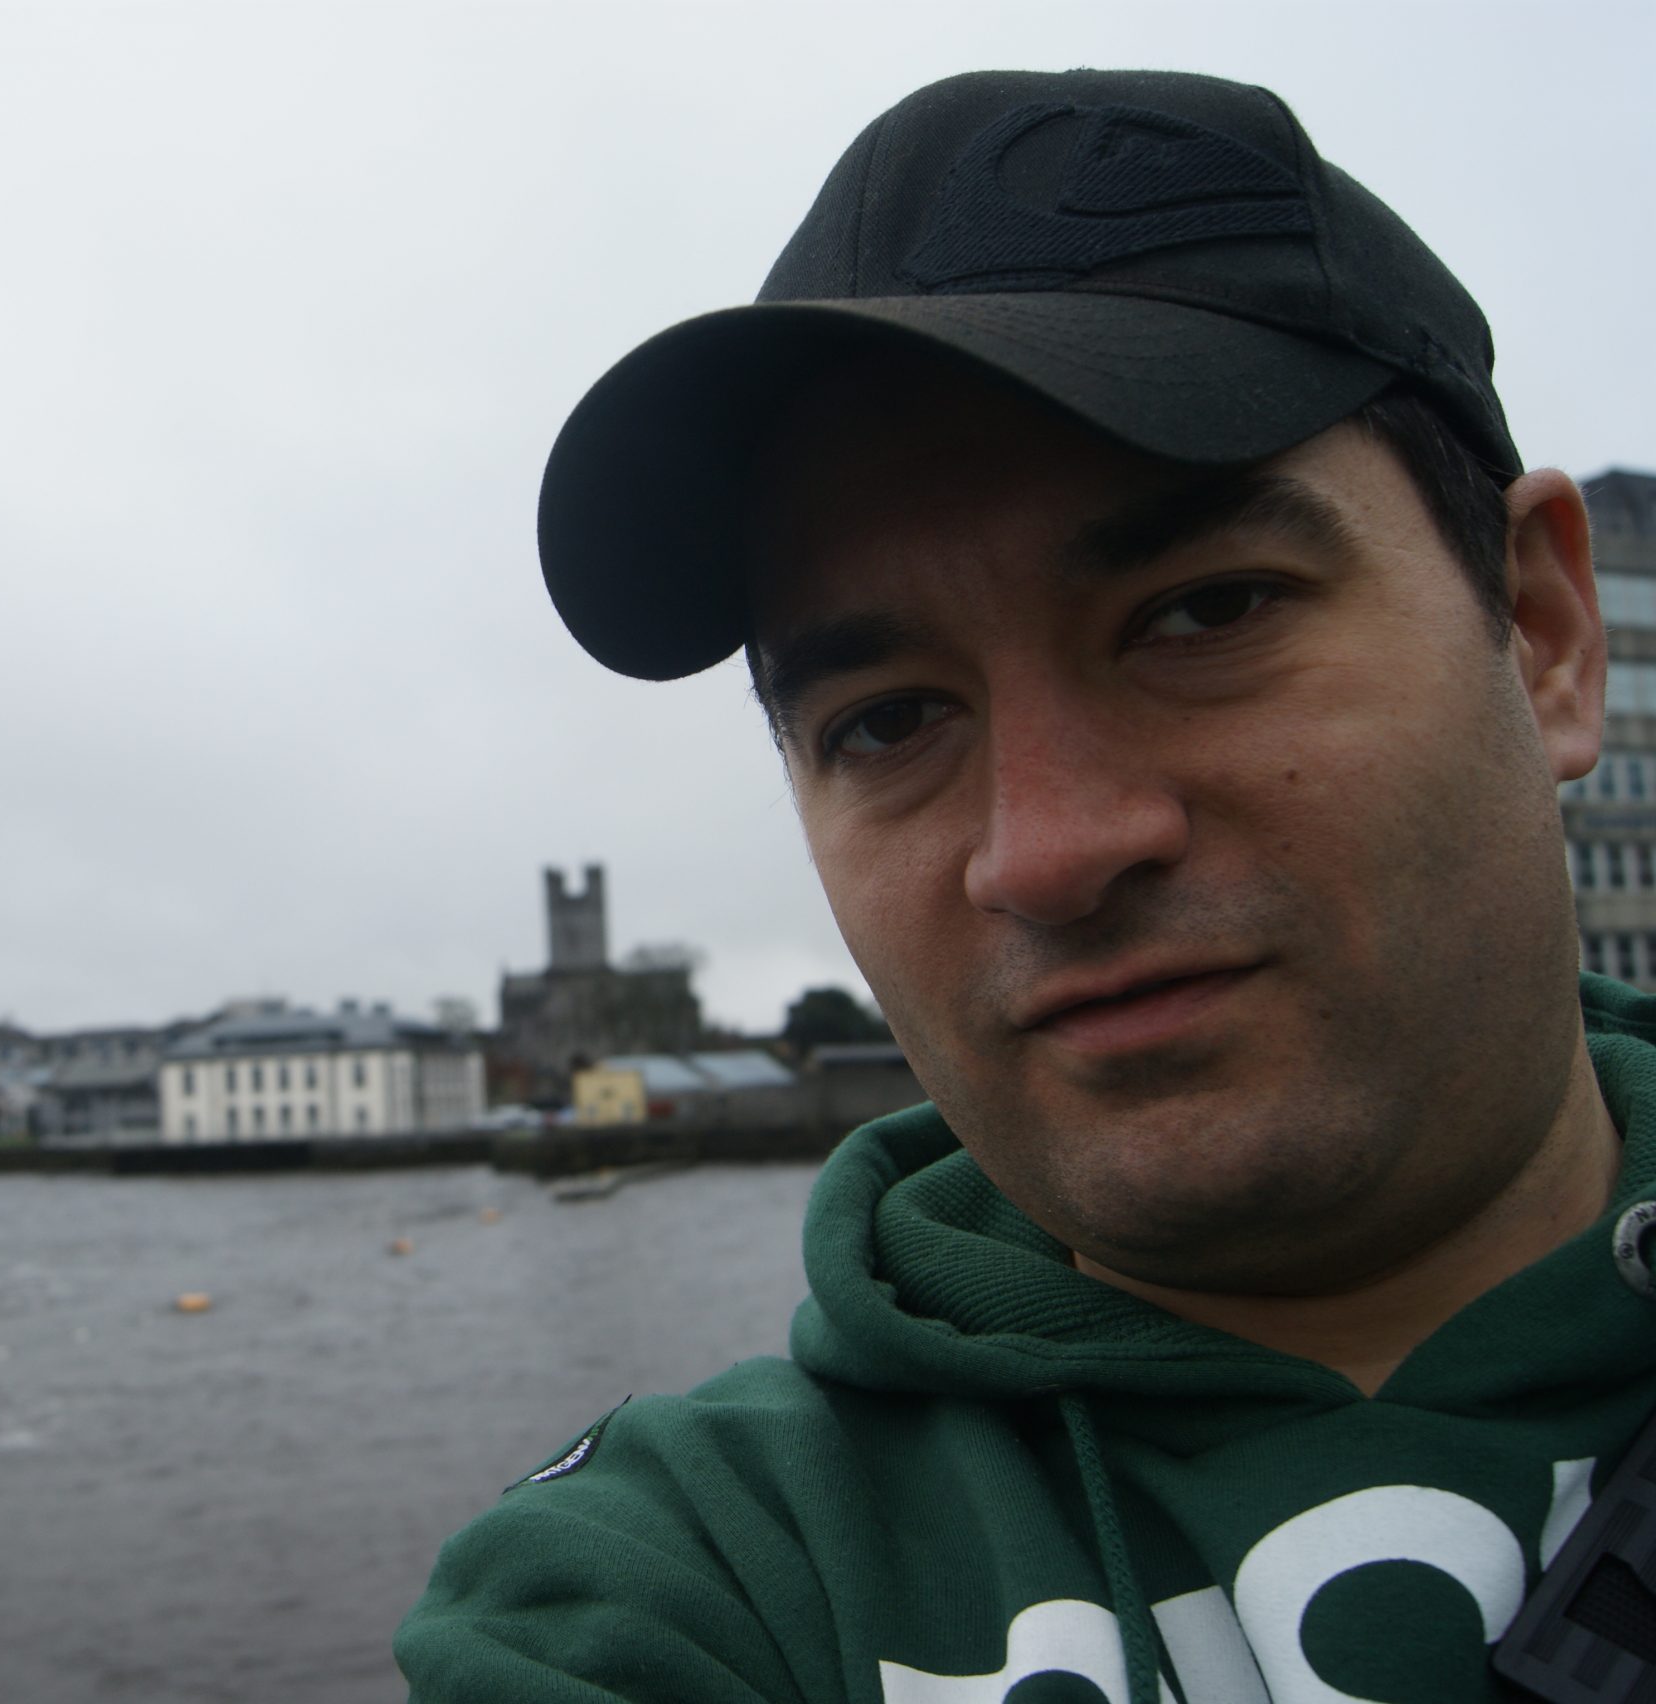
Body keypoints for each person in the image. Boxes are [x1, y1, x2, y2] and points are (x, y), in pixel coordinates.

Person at [394, 68, 1650, 1703]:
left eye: (1206, 611)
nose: (1046, 850)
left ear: (1544, 635)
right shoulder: (682, 1586)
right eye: (888, 719)